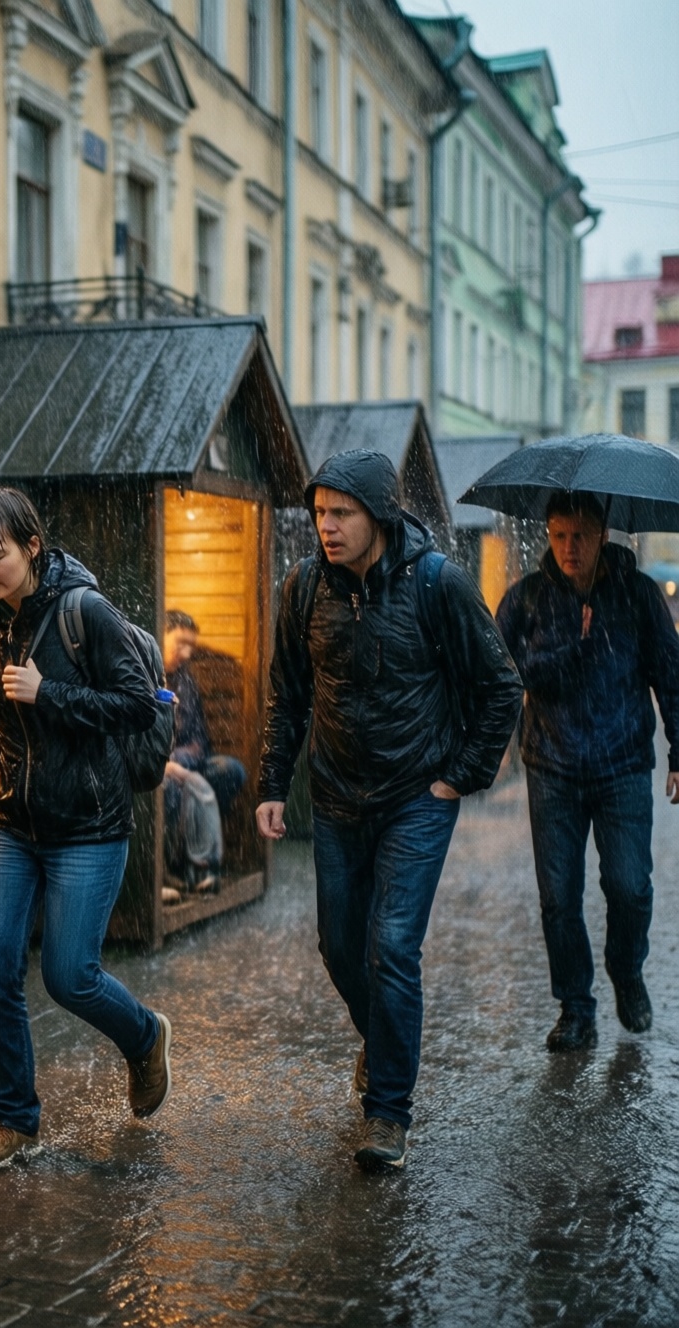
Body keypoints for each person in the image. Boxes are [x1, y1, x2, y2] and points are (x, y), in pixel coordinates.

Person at [256, 452, 521, 1171]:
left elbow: (501, 687)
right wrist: (272, 784)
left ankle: (388, 1113)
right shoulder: (304, 586)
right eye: (319, 514)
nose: (327, 527)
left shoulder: (438, 583)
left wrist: (459, 777)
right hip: (338, 797)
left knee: (393, 946)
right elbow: (287, 693)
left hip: (417, 796)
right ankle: (383, 1043)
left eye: (342, 514)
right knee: (341, 947)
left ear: (380, 514)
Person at [0, 486, 173, 1169]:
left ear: (33, 547)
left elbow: (138, 707)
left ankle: (145, 1037)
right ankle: (13, 1120)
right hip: (9, 824)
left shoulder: (84, 612)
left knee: (69, 976)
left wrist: (48, 693)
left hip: (90, 827)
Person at [496, 491, 679, 1053]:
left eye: (580, 535)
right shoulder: (526, 599)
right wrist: (573, 650)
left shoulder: (638, 595)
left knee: (629, 887)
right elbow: (500, 674)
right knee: (559, 896)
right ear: (548, 535)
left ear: (603, 535)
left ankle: (626, 970)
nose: (569, 547)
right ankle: (575, 1007)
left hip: (623, 763)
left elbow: (669, 674)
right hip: (552, 766)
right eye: (558, 535)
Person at [161, 610, 247, 892]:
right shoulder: (143, 674)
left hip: (189, 763)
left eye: (191, 646)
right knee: (167, 787)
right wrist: (167, 762)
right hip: (156, 767)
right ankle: (169, 867)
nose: (186, 653)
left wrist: (183, 760)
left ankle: (200, 858)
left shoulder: (186, 681)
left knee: (230, 770)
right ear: (161, 635)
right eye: (180, 643)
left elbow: (200, 738)